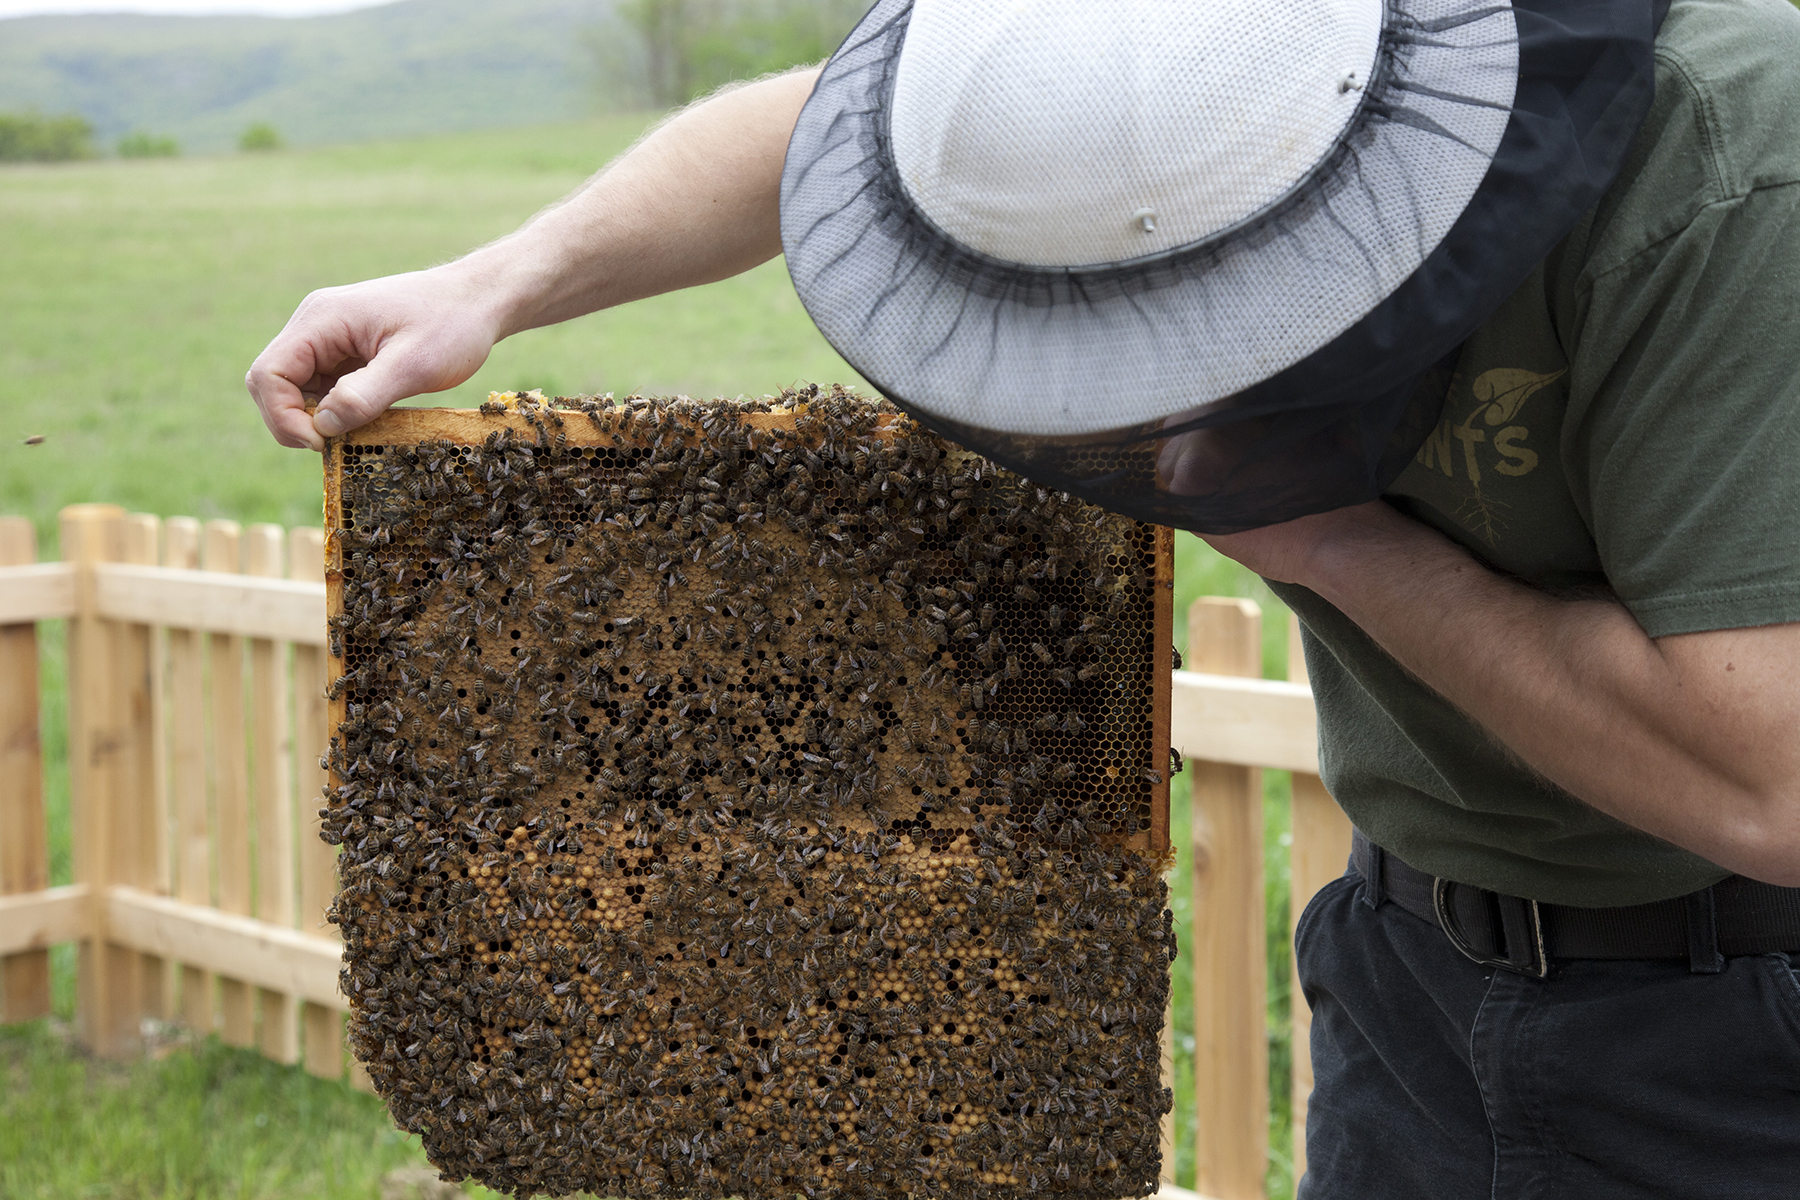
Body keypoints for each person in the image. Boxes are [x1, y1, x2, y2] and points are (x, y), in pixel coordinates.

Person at [248, 0, 1800, 1194]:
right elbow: (812, 133)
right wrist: (500, 279)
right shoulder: (1139, 53)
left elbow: (1766, 781)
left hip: (1748, 1017)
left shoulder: (1733, 169)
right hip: (1408, 963)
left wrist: (1327, 541)